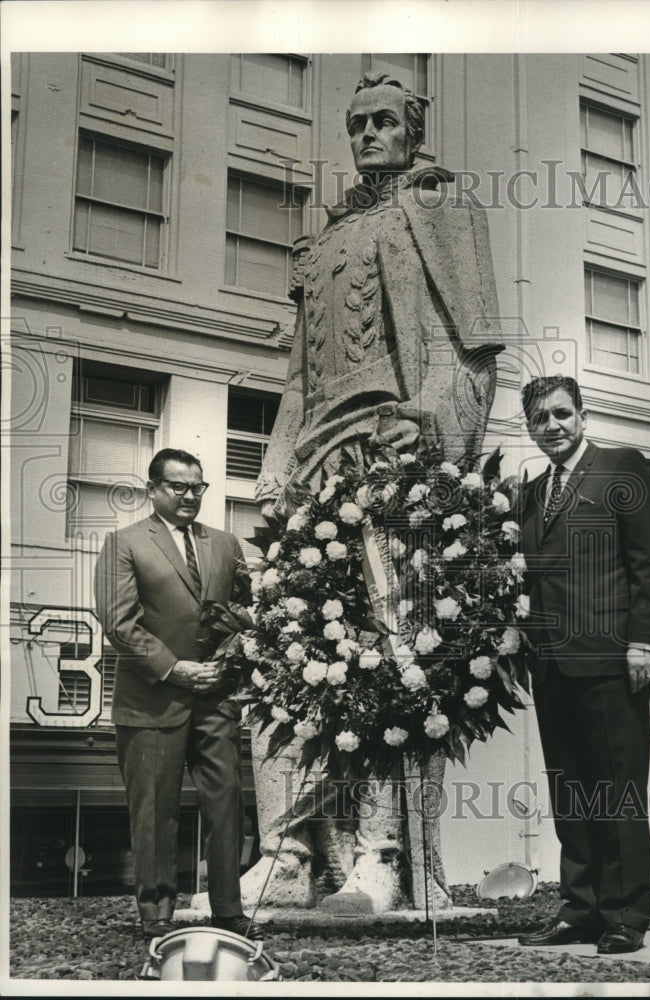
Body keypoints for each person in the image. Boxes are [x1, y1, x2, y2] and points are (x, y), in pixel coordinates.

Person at [244, 71, 504, 913]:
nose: (366, 134)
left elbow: (467, 348)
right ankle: (293, 853)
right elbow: (297, 373)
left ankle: (383, 856)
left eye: (384, 121)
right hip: (318, 458)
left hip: (388, 454)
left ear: (414, 129)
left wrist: (426, 423)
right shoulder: (324, 241)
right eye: (356, 123)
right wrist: (275, 465)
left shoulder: (435, 206)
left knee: (392, 653)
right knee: (293, 653)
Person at [518, 376, 650, 954]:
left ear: (582, 416)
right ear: (530, 428)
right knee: (570, 791)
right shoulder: (532, 493)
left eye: (562, 414)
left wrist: (645, 641)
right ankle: (579, 909)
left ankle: (625, 915)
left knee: (617, 791)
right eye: (541, 418)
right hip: (553, 665)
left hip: (612, 660)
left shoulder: (622, 468)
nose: (553, 426)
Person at [95, 447, 262, 940]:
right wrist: (174, 668)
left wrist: (227, 665)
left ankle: (228, 909)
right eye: (178, 486)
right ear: (153, 489)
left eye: (198, 486)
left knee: (227, 802)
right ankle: (157, 914)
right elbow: (119, 623)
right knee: (154, 811)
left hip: (216, 697)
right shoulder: (124, 543)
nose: (190, 495)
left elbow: (248, 615)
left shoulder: (226, 544)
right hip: (150, 699)